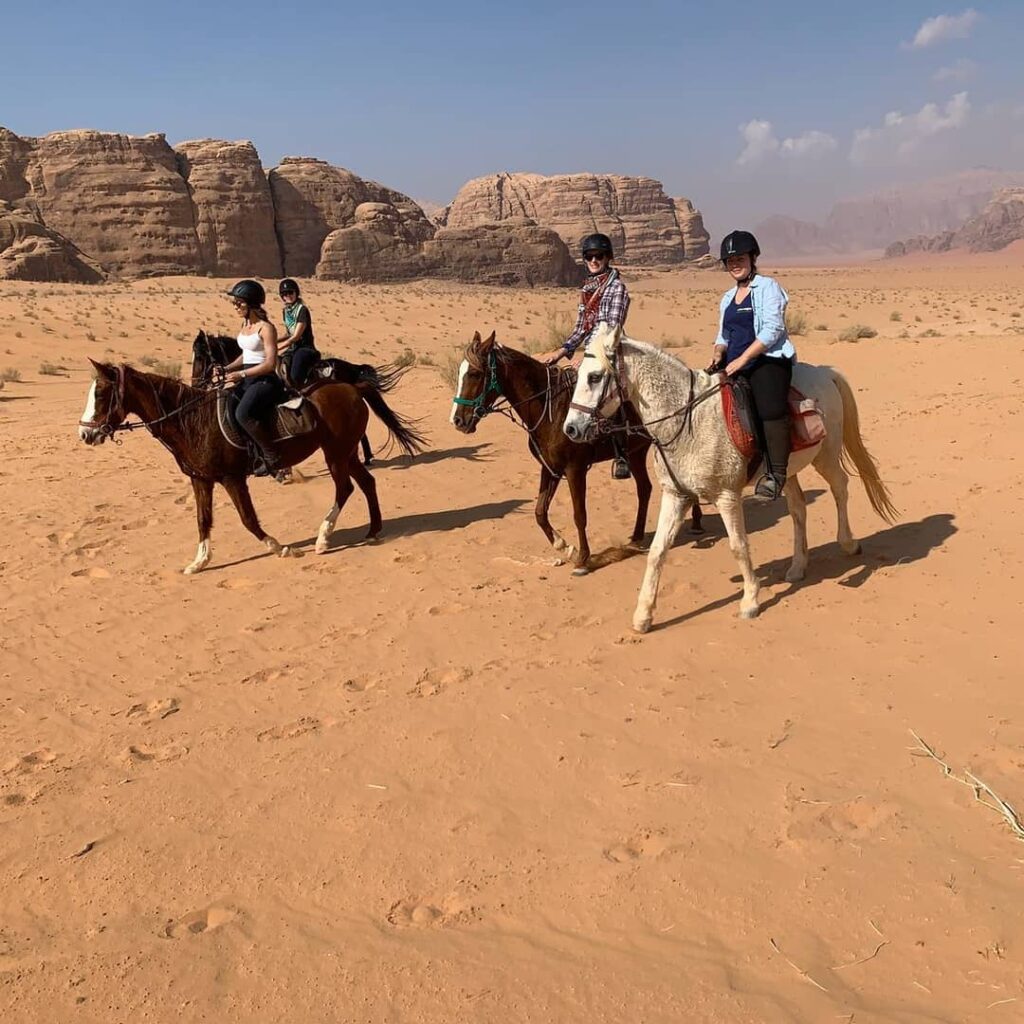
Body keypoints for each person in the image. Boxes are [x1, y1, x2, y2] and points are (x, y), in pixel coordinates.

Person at [708, 230, 796, 501]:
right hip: (733, 361)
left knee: (769, 409)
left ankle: (775, 474)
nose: (735, 264)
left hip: (767, 359)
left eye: (740, 258)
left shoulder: (767, 287)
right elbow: (724, 334)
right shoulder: (727, 297)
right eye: (730, 260)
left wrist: (744, 359)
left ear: (752, 258)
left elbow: (772, 329)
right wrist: (718, 351)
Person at [544, 232, 632, 478]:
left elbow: (611, 326)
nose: (594, 260)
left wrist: (589, 357)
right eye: (589, 256)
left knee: (614, 391)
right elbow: (582, 327)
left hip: (610, 347)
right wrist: (561, 352)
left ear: (608, 257)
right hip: (593, 348)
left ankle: (621, 451)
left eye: (599, 256)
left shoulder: (616, 287)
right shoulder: (588, 288)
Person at [277, 278, 373, 467]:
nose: (287, 296)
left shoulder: (301, 310)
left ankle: (299, 401)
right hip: (292, 349)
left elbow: (297, 336)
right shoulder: (286, 311)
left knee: (294, 377)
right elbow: (288, 332)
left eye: (290, 293)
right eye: (284, 294)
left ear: (296, 294)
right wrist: (271, 342)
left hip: (305, 349)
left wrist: (279, 345)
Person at [222, 279, 284, 477]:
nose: (235, 306)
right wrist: (226, 368)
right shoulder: (245, 325)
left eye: (238, 303)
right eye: (234, 303)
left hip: (265, 380)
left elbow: (269, 363)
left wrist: (241, 374)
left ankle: (273, 457)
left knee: (242, 413)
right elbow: (246, 354)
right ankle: (248, 451)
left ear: (251, 304)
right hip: (249, 378)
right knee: (226, 405)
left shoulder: (266, 328)